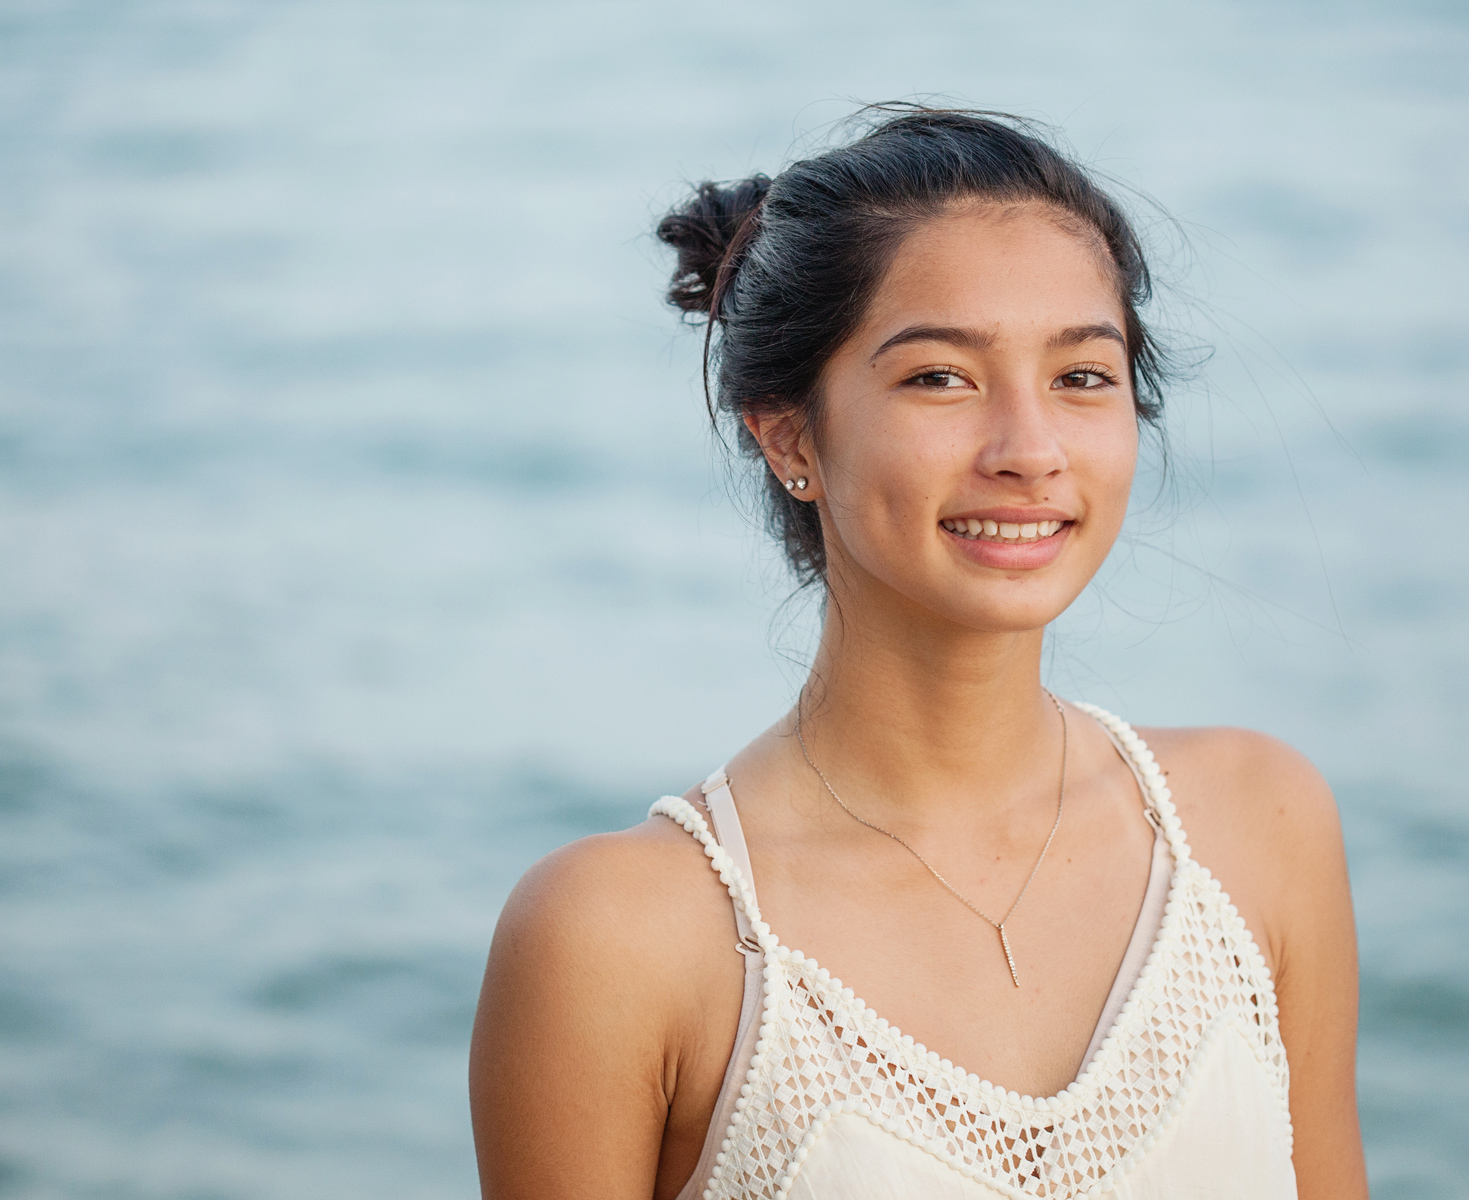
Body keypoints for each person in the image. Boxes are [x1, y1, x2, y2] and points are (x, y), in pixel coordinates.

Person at [469, 107, 1366, 1199]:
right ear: (790, 433)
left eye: (1082, 376)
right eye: (941, 377)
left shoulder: (1258, 829)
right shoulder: (623, 940)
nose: (1030, 452)